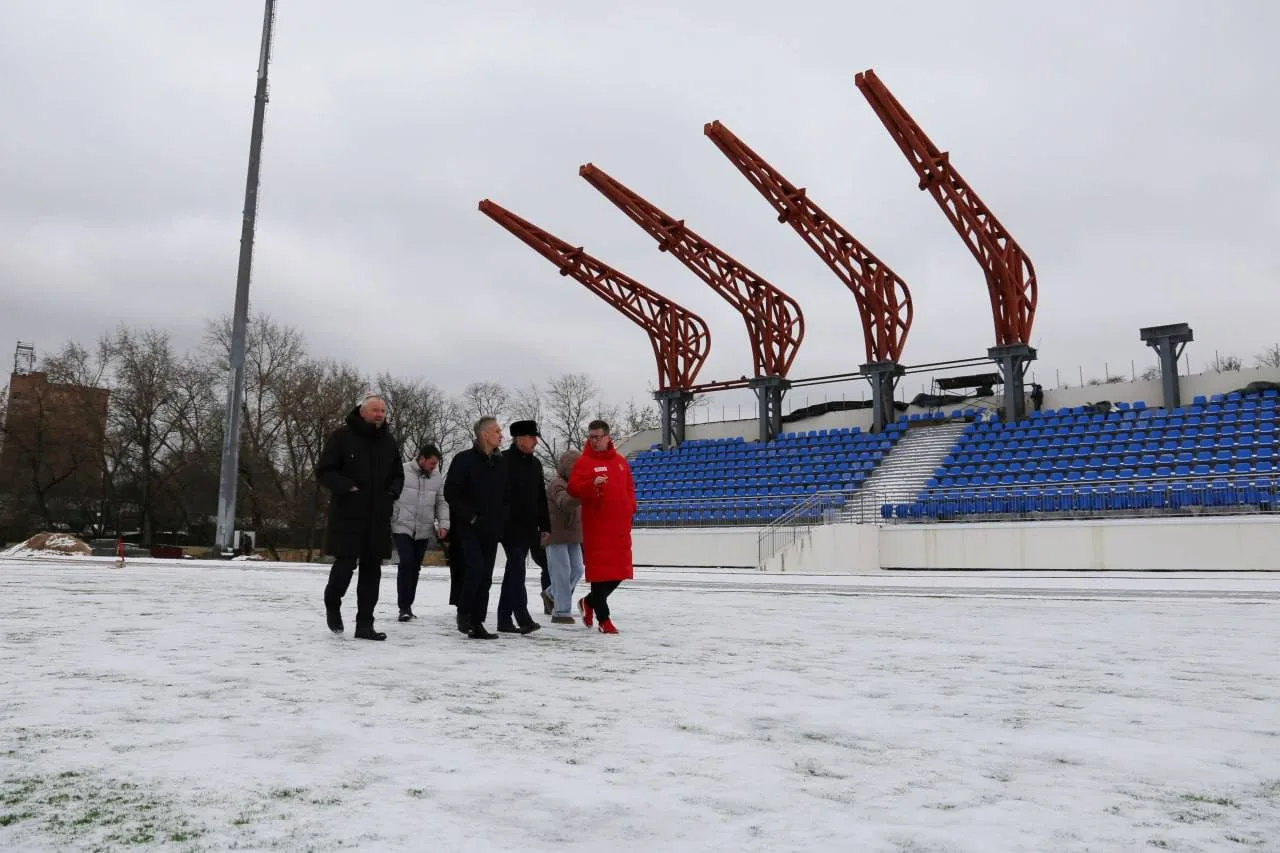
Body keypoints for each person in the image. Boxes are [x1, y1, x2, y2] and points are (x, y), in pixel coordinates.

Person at [316, 396, 404, 641]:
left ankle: (365, 624)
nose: (380, 414)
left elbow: (398, 474)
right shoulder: (342, 437)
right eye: (375, 410)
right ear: (363, 412)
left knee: (372, 571)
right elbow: (324, 471)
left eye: (383, 411)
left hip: (378, 516)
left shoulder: (388, 441)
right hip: (348, 515)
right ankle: (332, 601)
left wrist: (392, 493)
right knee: (344, 566)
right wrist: (347, 487)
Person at [567, 419, 636, 634]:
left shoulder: (620, 462)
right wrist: (591, 484)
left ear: (608, 437)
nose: (594, 441)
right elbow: (573, 488)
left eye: (598, 436)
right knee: (599, 574)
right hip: (596, 525)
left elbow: (629, 487)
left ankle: (588, 602)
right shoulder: (584, 462)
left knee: (619, 573)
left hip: (619, 526)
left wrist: (630, 507)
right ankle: (604, 619)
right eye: (591, 437)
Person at [443, 416, 509, 640]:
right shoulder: (464, 460)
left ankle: (478, 621)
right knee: (475, 569)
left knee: (487, 576)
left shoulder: (501, 463)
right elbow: (451, 492)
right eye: (497, 430)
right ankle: (464, 613)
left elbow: (506, 496)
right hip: (468, 527)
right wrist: (470, 517)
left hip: (492, 529)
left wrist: (502, 520)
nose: (501, 434)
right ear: (484, 435)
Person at [496, 420, 551, 634]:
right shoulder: (503, 461)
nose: (536, 441)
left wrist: (544, 524)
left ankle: (503, 618)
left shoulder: (535, 464)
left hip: (528, 527)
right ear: (520, 438)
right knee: (517, 569)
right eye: (532, 437)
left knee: (513, 572)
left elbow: (540, 496)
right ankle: (523, 616)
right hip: (509, 526)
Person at [390, 444, 449, 622]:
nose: (434, 467)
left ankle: (408, 606)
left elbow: (441, 502)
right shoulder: (403, 471)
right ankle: (403, 606)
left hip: (424, 528)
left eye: (436, 464)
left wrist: (443, 524)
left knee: (415, 567)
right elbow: (391, 494)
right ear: (421, 458)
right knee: (406, 562)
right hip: (402, 525)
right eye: (431, 463)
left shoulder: (436, 477)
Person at [544, 448, 584, 624]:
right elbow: (564, 502)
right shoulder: (557, 484)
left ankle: (551, 594)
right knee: (562, 572)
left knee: (577, 570)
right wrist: (580, 495)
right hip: (555, 534)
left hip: (573, 534)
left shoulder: (577, 484)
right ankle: (561, 611)